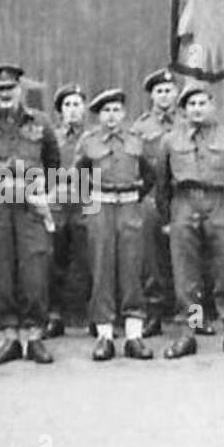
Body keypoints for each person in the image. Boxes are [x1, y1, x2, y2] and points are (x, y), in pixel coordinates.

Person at [0, 62, 61, 364]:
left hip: (31, 204)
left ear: (20, 90)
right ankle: (9, 337)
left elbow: (53, 163)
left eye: (10, 88)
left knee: (34, 271)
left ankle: (34, 337)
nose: (5, 94)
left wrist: (39, 192)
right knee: (2, 272)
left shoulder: (41, 122)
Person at [156, 83, 224, 358]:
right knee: (186, 274)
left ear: (211, 106)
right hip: (184, 203)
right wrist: (167, 218)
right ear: (184, 109)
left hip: (220, 202)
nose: (197, 109)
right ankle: (189, 333)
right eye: (192, 104)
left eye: (202, 103)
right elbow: (161, 183)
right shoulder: (170, 140)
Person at [76, 88, 155, 360]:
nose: (112, 116)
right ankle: (104, 334)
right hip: (100, 205)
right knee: (102, 268)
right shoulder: (88, 142)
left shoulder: (136, 140)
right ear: (99, 115)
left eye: (116, 110)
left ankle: (134, 334)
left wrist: (133, 196)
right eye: (106, 111)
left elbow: (149, 175)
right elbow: (78, 177)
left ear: (123, 113)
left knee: (132, 267)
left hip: (130, 205)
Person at [131, 67, 180, 335]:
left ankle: (194, 317)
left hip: (182, 196)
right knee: (151, 257)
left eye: (168, 90)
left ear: (176, 93)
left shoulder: (188, 121)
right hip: (151, 197)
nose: (164, 96)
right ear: (152, 96)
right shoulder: (140, 128)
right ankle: (154, 313)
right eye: (159, 91)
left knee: (190, 260)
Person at [46, 83, 90, 339]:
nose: (73, 111)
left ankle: (92, 316)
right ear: (60, 111)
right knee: (55, 261)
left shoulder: (93, 137)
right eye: (67, 105)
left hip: (86, 203)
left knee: (87, 260)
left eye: (77, 104)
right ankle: (55, 315)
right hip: (58, 204)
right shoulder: (51, 138)